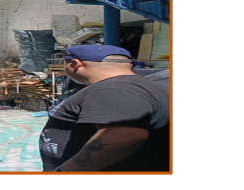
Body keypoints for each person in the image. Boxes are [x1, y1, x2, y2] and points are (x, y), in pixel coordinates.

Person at [38, 45, 169, 172]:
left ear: (75, 63)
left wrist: (66, 171)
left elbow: (124, 135)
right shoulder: (132, 86)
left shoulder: (114, 89)